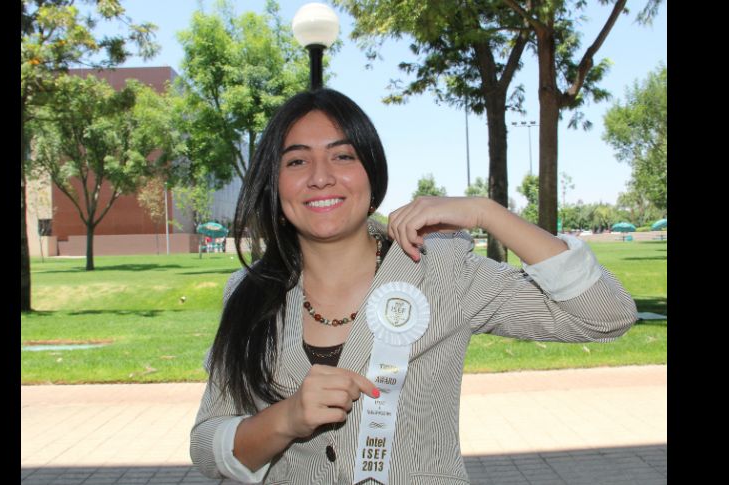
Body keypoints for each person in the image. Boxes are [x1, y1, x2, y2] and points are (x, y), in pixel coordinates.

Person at [190, 89, 638, 484]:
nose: (320, 176)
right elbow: (208, 447)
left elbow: (606, 315)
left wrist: (486, 213)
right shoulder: (248, 293)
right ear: (275, 183)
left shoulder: (441, 270)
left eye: (343, 156)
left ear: (372, 172)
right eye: (297, 160)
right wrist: (286, 419)